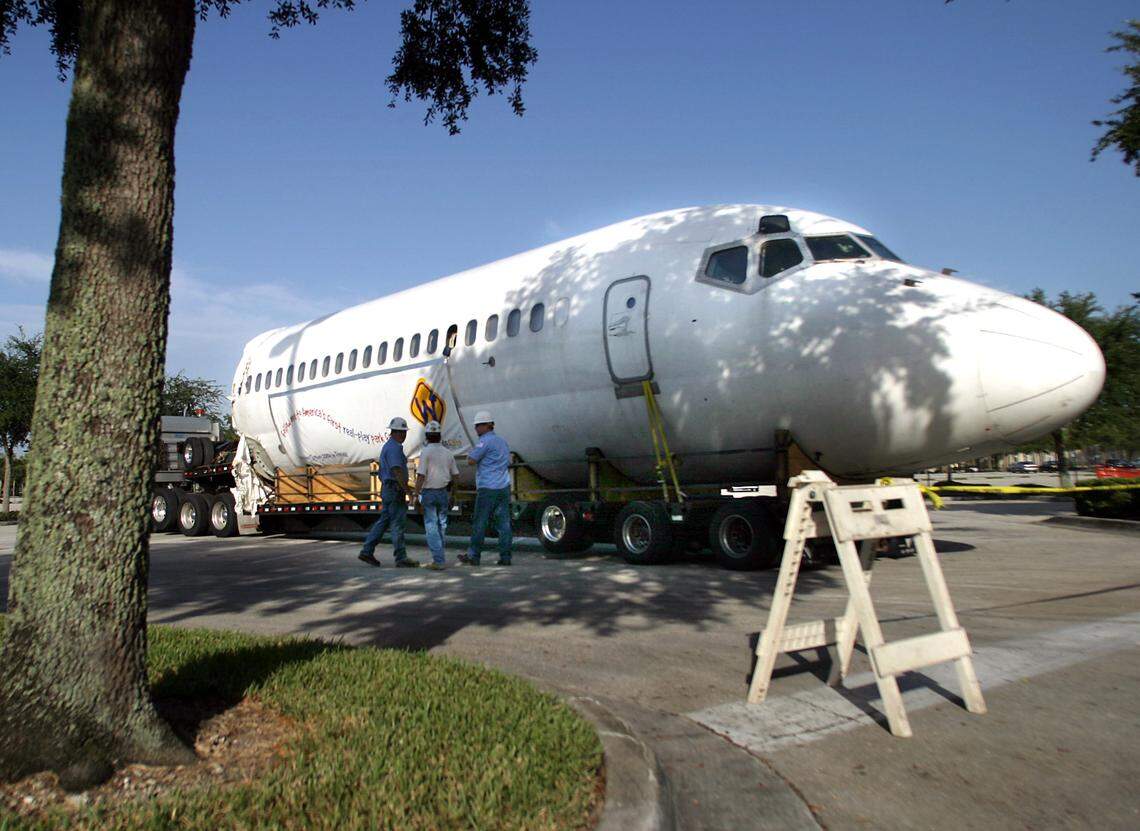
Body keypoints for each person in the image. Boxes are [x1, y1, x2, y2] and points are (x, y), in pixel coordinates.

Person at [358, 416, 419, 568]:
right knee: (397, 524)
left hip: (389, 489)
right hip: (394, 490)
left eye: (404, 432)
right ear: (395, 432)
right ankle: (401, 557)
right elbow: (397, 471)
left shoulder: (388, 446)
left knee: (384, 521)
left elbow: (384, 472)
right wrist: (408, 492)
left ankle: (367, 550)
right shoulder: (394, 448)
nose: (404, 435)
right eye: (402, 432)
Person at [458, 410, 512, 566]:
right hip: (503, 486)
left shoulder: (484, 442)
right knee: (504, 524)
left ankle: (474, 555)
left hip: (488, 488)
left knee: (480, 522)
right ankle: (505, 557)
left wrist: (471, 454)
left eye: (477, 426)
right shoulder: (502, 441)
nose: (476, 430)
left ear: (486, 426)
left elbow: (471, 460)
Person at [413, 420, 458, 571]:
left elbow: (420, 476)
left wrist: (416, 495)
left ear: (427, 436)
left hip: (429, 494)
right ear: (440, 436)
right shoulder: (448, 453)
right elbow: (456, 476)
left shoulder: (426, 452)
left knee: (431, 526)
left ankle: (438, 560)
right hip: (444, 492)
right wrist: (453, 495)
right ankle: (439, 557)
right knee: (441, 525)